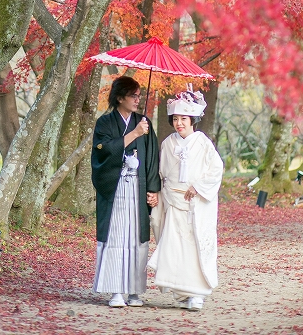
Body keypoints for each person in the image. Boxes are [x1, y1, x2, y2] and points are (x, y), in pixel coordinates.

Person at [147, 87, 223, 311]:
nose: (179, 123)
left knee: (193, 247)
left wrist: (198, 187)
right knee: (173, 247)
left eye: (184, 119)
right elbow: (161, 174)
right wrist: (158, 193)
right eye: (176, 119)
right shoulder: (168, 143)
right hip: (172, 201)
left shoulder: (203, 142)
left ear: (193, 120)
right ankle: (181, 293)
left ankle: (196, 293)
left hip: (195, 203)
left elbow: (216, 169)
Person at [91, 75, 160, 308]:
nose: (137, 100)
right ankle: (115, 290)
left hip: (138, 190)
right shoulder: (105, 123)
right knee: (117, 235)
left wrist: (153, 188)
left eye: (139, 96)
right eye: (133, 95)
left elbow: (152, 159)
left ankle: (134, 291)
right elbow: (103, 151)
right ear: (120, 97)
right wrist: (134, 134)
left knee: (136, 238)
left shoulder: (144, 122)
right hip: (116, 186)